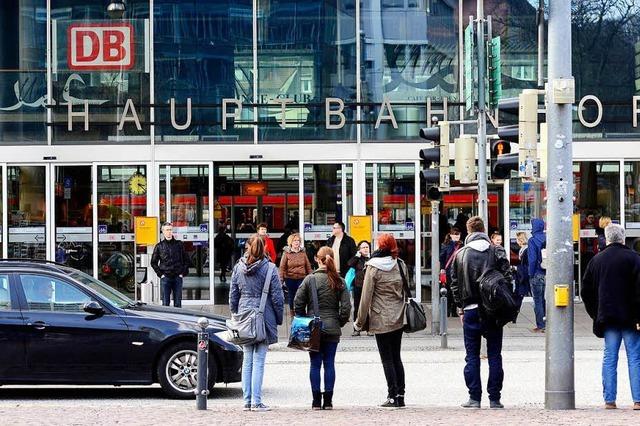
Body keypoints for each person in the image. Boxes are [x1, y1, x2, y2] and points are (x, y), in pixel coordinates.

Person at [450, 216, 512, 409]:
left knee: (472, 355)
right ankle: (495, 398)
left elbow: (455, 285)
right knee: (495, 354)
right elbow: (508, 278)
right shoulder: (497, 251)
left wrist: (460, 308)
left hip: (470, 310)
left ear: (469, 232)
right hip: (493, 311)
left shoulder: (460, 255)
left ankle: (474, 398)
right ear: (484, 230)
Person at [581, 224, 640, 410]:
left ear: (606, 238)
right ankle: (638, 400)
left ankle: (609, 400)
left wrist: (595, 313)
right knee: (635, 357)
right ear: (623, 238)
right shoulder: (634, 259)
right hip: (631, 317)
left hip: (607, 316)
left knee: (609, 357)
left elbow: (586, 291)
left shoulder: (597, 260)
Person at [229, 235, 284, 412]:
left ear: (248, 247)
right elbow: (277, 297)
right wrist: (279, 318)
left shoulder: (238, 267)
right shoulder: (269, 268)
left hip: (245, 314)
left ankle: (247, 401)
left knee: (247, 360)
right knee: (259, 360)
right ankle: (256, 401)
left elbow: (233, 294)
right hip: (263, 315)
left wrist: (235, 313)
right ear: (265, 249)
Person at [355, 233, 409, 408]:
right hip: (399, 316)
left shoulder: (372, 267)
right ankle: (401, 395)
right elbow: (406, 288)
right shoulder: (399, 264)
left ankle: (392, 396)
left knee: (387, 359)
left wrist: (359, 321)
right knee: (396, 357)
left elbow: (366, 296)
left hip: (380, 317)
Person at [294, 246, 351, 410]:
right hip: (332, 326)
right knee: (329, 363)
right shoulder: (339, 280)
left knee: (315, 364)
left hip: (313, 327)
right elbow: (346, 307)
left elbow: (298, 302)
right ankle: (328, 401)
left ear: (316, 259)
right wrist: (338, 321)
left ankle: (315, 401)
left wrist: (305, 319)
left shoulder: (310, 279)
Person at [151, 222, 190, 308]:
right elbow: (153, 262)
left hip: (177, 277)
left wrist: (182, 273)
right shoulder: (159, 246)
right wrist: (161, 275)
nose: (169, 232)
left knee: (178, 303)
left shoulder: (179, 244)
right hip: (166, 278)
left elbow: (187, 260)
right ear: (163, 232)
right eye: (167, 230)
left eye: (170, 230)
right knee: (165, 304)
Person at [279, 232, 312, 317]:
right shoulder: (286, 253)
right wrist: (281, 280)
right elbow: (282, 267)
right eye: (294, 241)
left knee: (302, 295)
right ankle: (292, 312)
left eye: (298, 240)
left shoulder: (303, 253)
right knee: (291, 295)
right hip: (290, 278)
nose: (297, 242)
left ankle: (301, 311)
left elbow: (308, 266)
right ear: (291, 243)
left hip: (301, 277)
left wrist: (311, 276)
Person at [347, 240, 371, 335]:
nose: (365, 249)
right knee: (357, 308)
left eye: (367, 247)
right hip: (358, 286)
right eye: (363, 247)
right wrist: (357, 256)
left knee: (370, 308)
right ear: (359, 249)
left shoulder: (372, 258)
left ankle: (369, 328)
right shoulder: (357, 259)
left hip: (370, 287)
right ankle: (357, 329)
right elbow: (349, 264)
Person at [528, 218, 547, 332]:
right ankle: (546, 321)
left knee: (537, 300)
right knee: (544, 299)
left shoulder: (533, 240)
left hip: (537, 273)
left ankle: (540, 324)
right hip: (547, 273)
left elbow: (532, 259)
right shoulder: (548, 237)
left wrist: (530, 273)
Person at [439, 227, 463, 317]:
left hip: (458, 271)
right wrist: (442, 269)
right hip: (448, 271)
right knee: (447, 291)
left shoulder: (462, 245)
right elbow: (442, 258)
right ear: (450, 235)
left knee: (456, 291)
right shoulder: (446, 245)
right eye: (455, 234)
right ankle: (447, 309)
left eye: (458, 234)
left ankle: (453, 310)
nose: (457, 236)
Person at [515, 231, 530, 300]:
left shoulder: (526, 250)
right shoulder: (523, 249)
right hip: (523, 274)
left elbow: (525, 263)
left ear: (520, 240)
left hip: (525, 275)